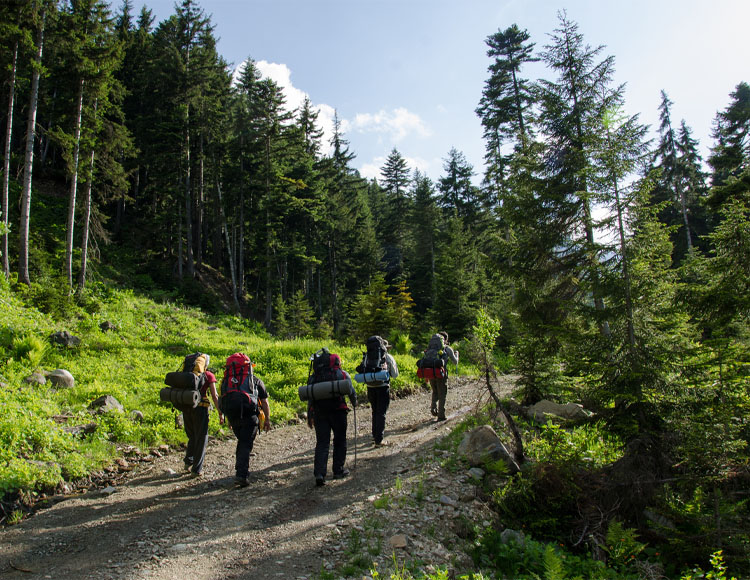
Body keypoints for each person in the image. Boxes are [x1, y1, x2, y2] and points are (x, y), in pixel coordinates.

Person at [220, 353, 271, 487]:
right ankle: (241, 475)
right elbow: (264, 402)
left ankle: (241, 471)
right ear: (249, 367)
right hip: (250, 416)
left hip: (233, 416)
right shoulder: (255, 381)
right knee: (245, 443)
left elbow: (224, 399)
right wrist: (267, 420)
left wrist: (229, 420)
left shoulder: (226, 381)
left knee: (243, 441)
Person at [307, 349, 356, 487]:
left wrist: (310, 414)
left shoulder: (314, 377)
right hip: (338, 411)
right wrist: (354, 403)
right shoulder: (342, 374)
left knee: (322, 443)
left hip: (319, 413)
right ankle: (338, 471)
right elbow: (351, 391)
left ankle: (319, 474)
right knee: (340, 441)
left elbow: (310, 397)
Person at [182, 359, 221, 477]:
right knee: (202, 438)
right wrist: (220, 412)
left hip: (186, 407)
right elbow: (214, 395)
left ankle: (188, 462)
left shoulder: (187, 374)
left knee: (192, 436)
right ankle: (196, 469)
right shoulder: (208, 375)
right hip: (201, 408)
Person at [358, 335, 399, 446]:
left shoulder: (367, 356)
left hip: (370, 386)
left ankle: (374, 436)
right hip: (383, 387)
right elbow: (395, 375)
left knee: (374, 411)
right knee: (381, 413)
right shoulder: (388, 357)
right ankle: (379, 440)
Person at [429, 331, 459, 421]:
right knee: (442, 394)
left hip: (431, 373)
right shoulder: (447, 348)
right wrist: (457, 355)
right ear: (445, 339)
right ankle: (441, 415)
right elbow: (455, 362)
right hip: (441, 374)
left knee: (435, 391)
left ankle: (433, 408)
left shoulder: (431, 348)